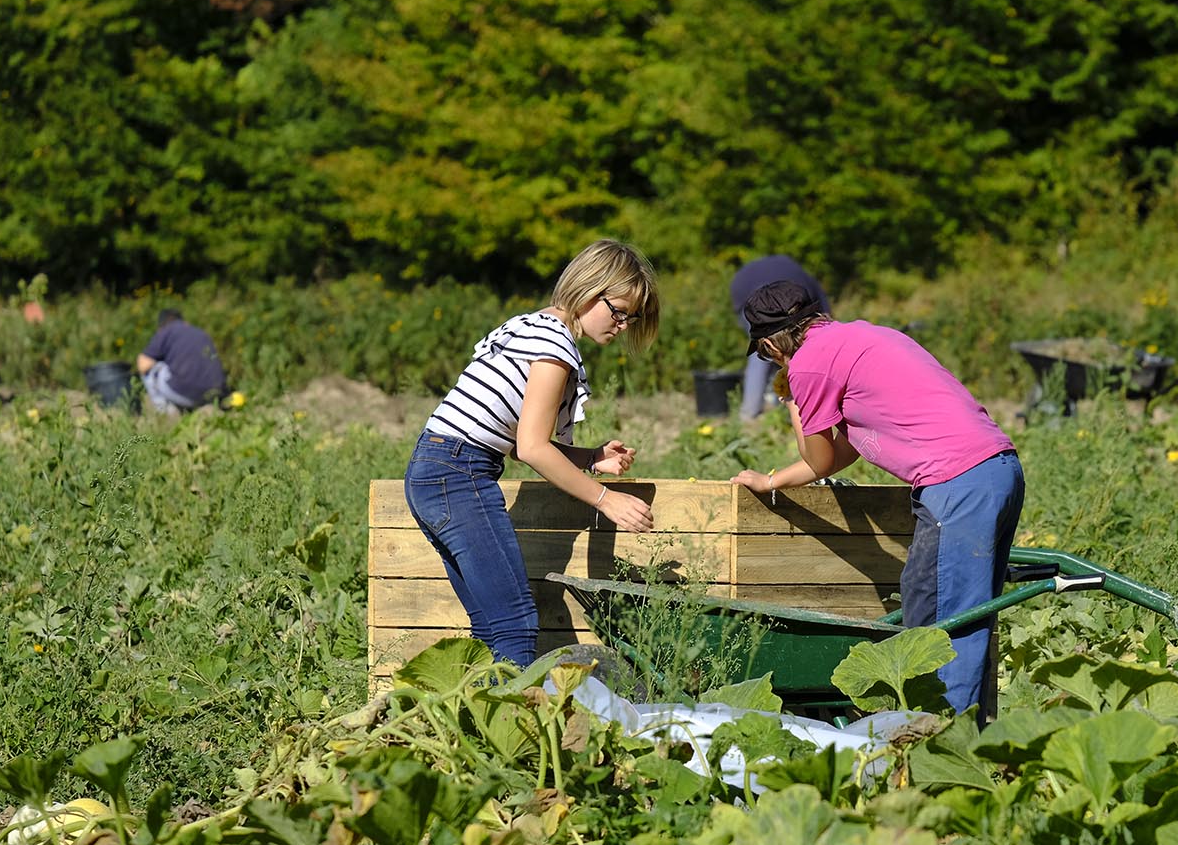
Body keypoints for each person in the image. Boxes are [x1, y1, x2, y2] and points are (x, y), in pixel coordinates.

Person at [730, 280, 1024, 721]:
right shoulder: (865, 337)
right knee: (969, 612)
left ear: (771, 343)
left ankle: (940, 742)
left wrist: (790, 398)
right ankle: (972, 732)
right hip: (999, 470)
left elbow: (818, 453)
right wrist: (771, 481)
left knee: (938, 622)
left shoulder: (808, 365)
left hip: (955, 483)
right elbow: (835, 456)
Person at [406, 238, 660, 668]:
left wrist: (589, 457)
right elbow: (533, 447)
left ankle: (475, 726)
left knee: (490, 624)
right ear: (588, 289)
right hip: (460, 473)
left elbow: (516, 436)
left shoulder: (530, 325)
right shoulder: (555, 346)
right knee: (515, 623)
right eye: (618, 311)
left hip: (433, 469)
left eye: (630, 319)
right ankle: (512, 731)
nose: (622, 326)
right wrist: (606, 498)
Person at [728, 255, 830, 419]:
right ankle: (754, 411)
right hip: (759, 297)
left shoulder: (780, 270)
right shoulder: (808, 285)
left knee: (767, 352)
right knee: (770, 352)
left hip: (743, 293)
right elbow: (824, 319)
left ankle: (755, 409)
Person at [137, 309, 229, 415]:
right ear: (184, 322)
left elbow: (142, 364)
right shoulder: (201, 332)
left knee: (152, 370)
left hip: (185, 393)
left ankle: (166, 414)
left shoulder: (167, 331)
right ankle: (201, 407)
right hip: (216, 394)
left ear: (160, 327)